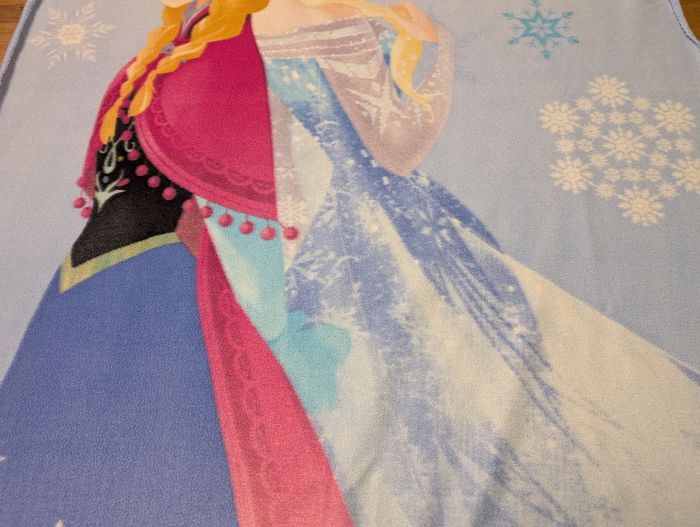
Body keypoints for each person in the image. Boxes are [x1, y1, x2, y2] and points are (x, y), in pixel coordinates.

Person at [1, 1, 699, 525]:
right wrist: (441, 56)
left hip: (159, 224)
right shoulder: (336, 19)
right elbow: (396, 147)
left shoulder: (200, 25)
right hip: (300, 221)